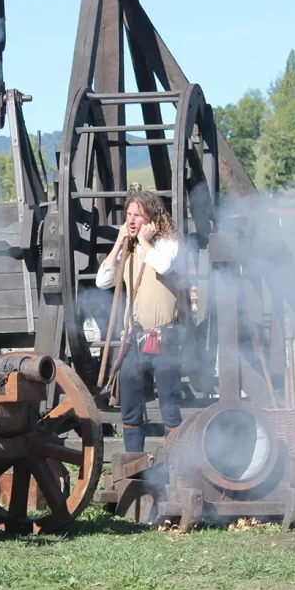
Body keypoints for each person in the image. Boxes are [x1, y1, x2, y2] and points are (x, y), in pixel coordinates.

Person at [96, 188, 188, 453]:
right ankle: (133, 462)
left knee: (169, 402)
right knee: (130, 401)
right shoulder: (129, 249)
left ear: (152, 217)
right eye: (128, 215)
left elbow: (162, 265)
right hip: (135, 337)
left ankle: (176, 461)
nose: (132, 220)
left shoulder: (170, 243)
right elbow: (103, 281)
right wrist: (118, 244)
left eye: (138, 215)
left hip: (165, 336)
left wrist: (146, 242)